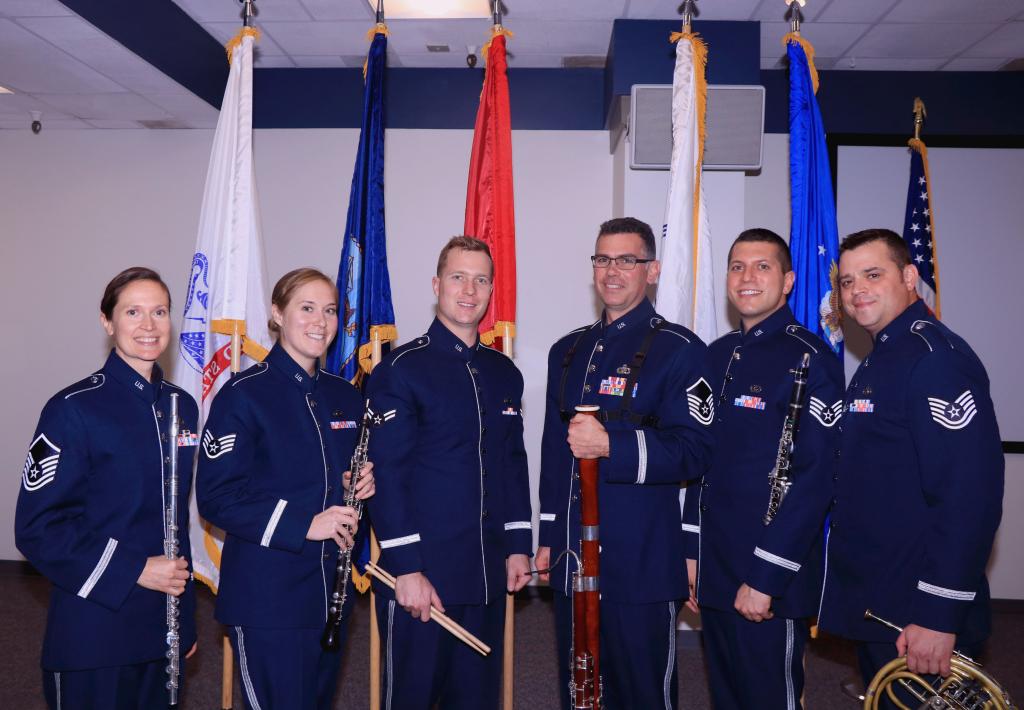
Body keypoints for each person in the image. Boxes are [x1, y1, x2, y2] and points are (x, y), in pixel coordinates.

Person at [536, 217, 715, 710]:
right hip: (575, 555)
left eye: (626, 260)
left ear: (652, 270)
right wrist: (551, 537)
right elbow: (556, 454)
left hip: (642, 558)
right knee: (582, 689)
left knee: (641, 694)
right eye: (602, 258)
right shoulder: (567, 351)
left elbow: (697, 451)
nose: (612, 270)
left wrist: (612, 444)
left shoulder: (680, 351)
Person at [819, 229, 1003, 700]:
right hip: (884, 602)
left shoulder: (933, 360)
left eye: (873, 275)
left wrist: (939, 615)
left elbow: (968, 498)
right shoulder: (884, 357)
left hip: (917, 612)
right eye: (847, 281)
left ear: (908, 276)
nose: (857, 289)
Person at [16, 267, 199, 709]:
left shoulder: (183, 407)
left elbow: (175, 523)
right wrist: (134, 569)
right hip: (95, 630)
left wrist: (187, 618)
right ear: (107, 321)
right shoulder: (73, 409)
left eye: (160, 312)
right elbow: (38, 529)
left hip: (162, 627)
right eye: (133, 312)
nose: (149, 325)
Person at [365, 236, 532, 710]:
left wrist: (519, 545)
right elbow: (387, 476)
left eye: (481, 280)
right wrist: (407, 570)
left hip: (486, 573)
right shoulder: (400, 370)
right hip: (424, 576)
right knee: (413, 698)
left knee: (477, 698)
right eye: (458, 277)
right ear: (437, 284)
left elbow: (512, 463)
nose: (469, 289)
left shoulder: (504, 372)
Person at [196, 267, 374, 710]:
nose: (321, 321)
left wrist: (363, 484)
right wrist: (305, 524)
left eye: (330, 310)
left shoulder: (345, 395)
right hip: (268, 599)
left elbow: (336, 480)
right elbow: (217, 495)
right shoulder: (243, 394)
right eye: (307, 308)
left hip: (329, 595)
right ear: (277, 314)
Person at [681, 229, 843, 709]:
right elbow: (698, 458)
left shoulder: (811, 359)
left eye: (762, 266)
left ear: (789, 280)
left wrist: (767, 578)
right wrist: (692, 553)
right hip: (716, 567)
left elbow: (816, 481)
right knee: (727, 697)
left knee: (769, 698)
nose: (747, 277)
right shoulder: (714, 355)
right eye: (737, 266)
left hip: (769, 574)